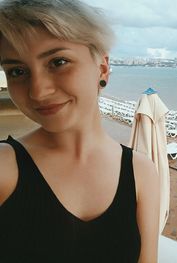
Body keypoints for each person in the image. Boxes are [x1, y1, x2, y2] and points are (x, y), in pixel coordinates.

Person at [0, 0, 160, 262]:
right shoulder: (3, 166)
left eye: (58, 61)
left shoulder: (141, 172)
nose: (38, 91)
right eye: (17, 71)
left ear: (103, 68)